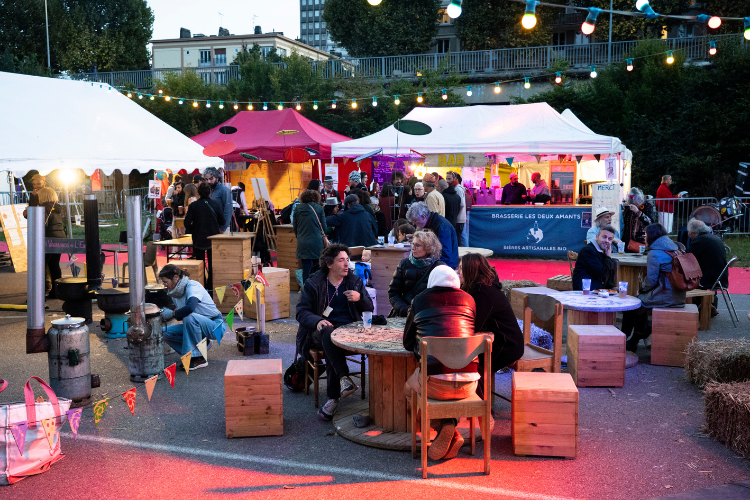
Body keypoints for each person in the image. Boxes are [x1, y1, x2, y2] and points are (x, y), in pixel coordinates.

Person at [403, 266, 476, 461]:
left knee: (408, 390)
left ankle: (444, 426)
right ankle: (451, 429)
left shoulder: (420, 300)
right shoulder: (469, 300)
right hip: (469, 384)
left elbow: (407, 343)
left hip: (435, 384)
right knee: (441, 384)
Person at [295, 243, 374, 421]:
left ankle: (335, 396)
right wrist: (317, 320)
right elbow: (301, 312)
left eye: (347, 259)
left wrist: (360, 298)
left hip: (348, 331)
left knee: (332, 346)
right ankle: (341, 381)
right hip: (319, 330)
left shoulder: (354, 281)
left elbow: (369, 307)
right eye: (341, 260)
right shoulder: (314, 283)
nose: (347, 264)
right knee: (329, 335)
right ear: (329, 264)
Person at [459, 253, 524, 395]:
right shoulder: (480, 287)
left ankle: (479, 402)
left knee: (471, 361)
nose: (458, 272)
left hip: (507, 345)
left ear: (471, 271)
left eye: (461, 269)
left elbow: (472, 326)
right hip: (500, 340)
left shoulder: (483, 293)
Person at [621, 223, 686, 351]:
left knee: (632, 305)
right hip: (679, 294)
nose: (644, 237)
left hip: (666, 295)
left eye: (645, 235)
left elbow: (651, 281)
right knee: (641, 304)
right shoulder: (675, 248)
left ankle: (624, 338)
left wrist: (641, 290)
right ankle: (640, 334)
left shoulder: (655, 253)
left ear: (651, 236)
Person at [158, 264, 223, 371]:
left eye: (166, 282)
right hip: (197, 326)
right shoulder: (175, 293)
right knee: (162, 333)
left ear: (176, 278)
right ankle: (199, 348)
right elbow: (180, 315)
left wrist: (173, 314)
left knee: (189, 317)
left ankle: (199, 358)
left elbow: (190, 308)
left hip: (215, 326)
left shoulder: (193, 286)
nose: (165, 285)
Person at [388, 230, 446, 317]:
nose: (413, 248)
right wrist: (403, 309)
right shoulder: (404, 264)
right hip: (405, 314)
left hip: (428, 316)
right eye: (413, 244)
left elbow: (443, 296)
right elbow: (393, 292)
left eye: (417, 245)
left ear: (429, 248)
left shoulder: (439, 268)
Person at [184, 183, 225, 291]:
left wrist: (193, 229)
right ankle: (211, 286)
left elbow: (187, 223)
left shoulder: (193, 206)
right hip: (213, 237)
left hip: (198, 237)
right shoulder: (215, 204)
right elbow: (222, 221)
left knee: (200, 263)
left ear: (198, 192)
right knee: (212, 263)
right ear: (210, 192)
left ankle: (201, 285)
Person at [687, 219, 727, 315]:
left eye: (688, 231)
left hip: (709, 278)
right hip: (721, 276)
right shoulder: (714, 238)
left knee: (684, 277)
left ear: (693, 232)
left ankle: (696, 307)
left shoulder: (699, 241)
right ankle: (708, 304)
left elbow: (689, 258)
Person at [407, 201, 458, 269]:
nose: (413, 223)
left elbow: (445, 254)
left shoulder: (442, 226)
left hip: (445, 267)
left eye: (414, 220)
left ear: (423, 217)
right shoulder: (430, 223)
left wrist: (437, 270)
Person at [293, 189, 328, 284]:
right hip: (317, 242)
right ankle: (317, 287)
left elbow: (295, 227)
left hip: (302, 242)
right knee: (317, 266)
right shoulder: (319, 209)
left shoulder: (297, 208)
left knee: (306, 267)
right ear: (316, 198)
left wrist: (300, 236)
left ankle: (306, 288)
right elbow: (324, 227)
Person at [38, 187, 65, 300]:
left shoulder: (43, 208)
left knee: (41, 265)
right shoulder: (58, 208)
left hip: (49, 238)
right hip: (60, 237)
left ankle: (39, 293)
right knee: (54, 265)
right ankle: (57, 291)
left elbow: (43, 224)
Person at [572, 225, 617, 291]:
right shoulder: (588, 251)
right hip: (584, 293)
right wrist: (608, 257)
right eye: (604, 237)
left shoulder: (603, 251)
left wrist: (611, 287)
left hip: (597, 291)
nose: (607, 241)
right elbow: (601, 273)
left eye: (610, 239)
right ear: (597, 237)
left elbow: (607, 273)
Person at [623, 187, 658, 252]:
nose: (635, 205)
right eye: (632, 203)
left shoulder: (648, 207)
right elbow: (626, 226)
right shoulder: (628, 208)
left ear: (641, 200)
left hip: (642, 242)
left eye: (636, 203)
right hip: (628, 243)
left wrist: (637, 212)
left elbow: (650, 222)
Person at [203, 167, 232, 234]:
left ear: (217, 178)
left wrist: (223, 228)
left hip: (221, 228)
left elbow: (228, 210)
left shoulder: (225, 190)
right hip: (210, 227)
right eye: (206, 179)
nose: (208, 181)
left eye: (211, 178)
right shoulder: (209, 190)